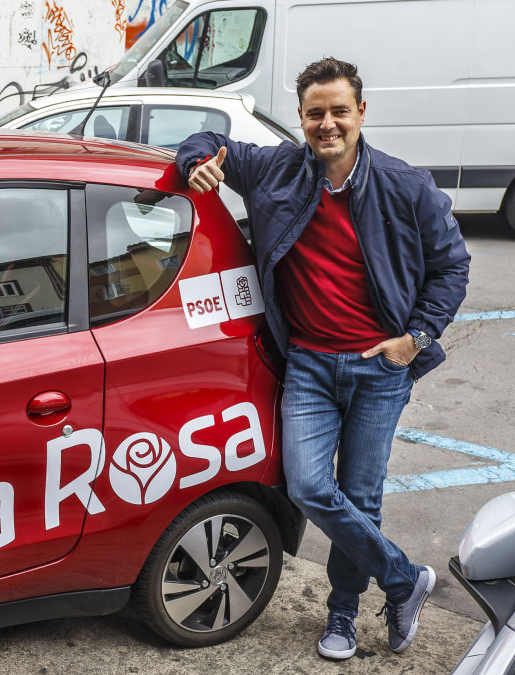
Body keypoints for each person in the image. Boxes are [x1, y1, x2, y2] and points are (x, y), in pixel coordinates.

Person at [178, 58, 469, 659]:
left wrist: (415, 337)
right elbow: (209, 139)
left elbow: (452, 267)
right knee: (310, 487)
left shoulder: (406, 185)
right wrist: (194, 163)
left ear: (362, 113)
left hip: (380, 366)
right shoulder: (276, 170)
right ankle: (402, 579)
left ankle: (341, 617)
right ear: (301, 118)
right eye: (316, 113)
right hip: (309, 363)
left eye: (340, 111)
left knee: (360, 499)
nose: (328, 124)